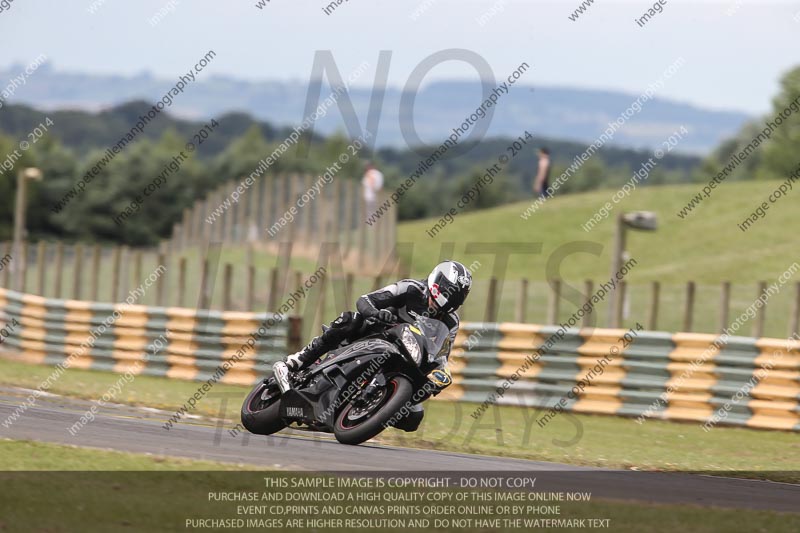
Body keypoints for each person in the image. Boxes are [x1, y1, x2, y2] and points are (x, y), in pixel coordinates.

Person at [272, 260, 472, 431]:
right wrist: (377, 313)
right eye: (442, 297)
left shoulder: (451, 322)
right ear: (436, 283)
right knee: (349, 319)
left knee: (413, 419)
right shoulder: (410, 288)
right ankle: (296, 361)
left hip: (406, 357)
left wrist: (440, 375)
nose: (438, 307)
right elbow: (366, 300)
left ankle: (367, 411)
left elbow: (442, 355)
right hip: (375, 332)